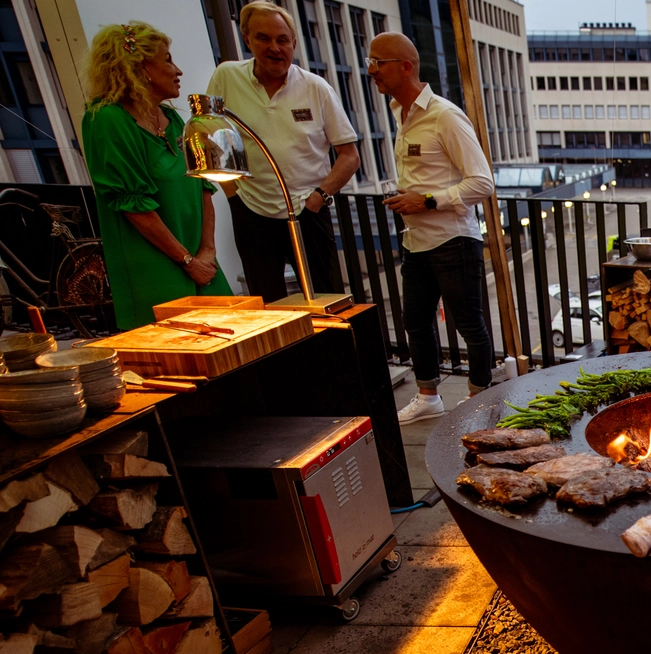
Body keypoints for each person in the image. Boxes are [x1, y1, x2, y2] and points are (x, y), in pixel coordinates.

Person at [366, 32, 496, 425]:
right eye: (370, 61)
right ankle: (428, 397)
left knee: (470, 323)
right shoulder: (399, 113)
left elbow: (483, 183)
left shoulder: (444, 115)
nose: (371, 70)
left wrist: (424, 201)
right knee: (415, 322)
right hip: (416, 240)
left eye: (378, 62)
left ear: (406, 66)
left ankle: (480, 401)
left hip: (453, 239)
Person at [80, 21, 230, 330]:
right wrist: (187, 261)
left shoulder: (175, 119)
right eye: (168, 59)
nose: (178, 71)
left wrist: (208, 251)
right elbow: (135, 206)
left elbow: (203, 186)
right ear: (140, 67)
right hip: (154, 264)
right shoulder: (108, 120)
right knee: (180, 350)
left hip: (200, 260)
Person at [206, 1, 359, 303]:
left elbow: (350, 155)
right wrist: (233, 195)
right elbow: (212, 142)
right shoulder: (226, 77)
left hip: (307, 211)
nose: (274, 48)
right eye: (263, 38)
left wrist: (319, 197)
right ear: (247, 39)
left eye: (282, 40)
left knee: (325, 299)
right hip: (252, 211)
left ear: (294, 44)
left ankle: (327, 352)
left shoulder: (316, 87)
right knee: (268, 304)